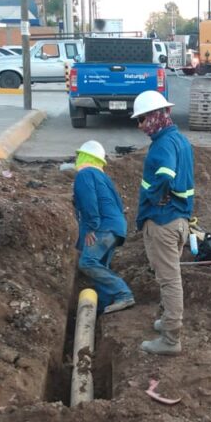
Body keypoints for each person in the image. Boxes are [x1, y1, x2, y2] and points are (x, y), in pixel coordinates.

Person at [132, 90, 195, 356]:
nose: (141, 125)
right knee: (167, 276)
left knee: (169, 280)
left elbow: (166, 174)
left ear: (156, 116)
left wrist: (152, 199)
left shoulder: (163, 146)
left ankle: (171, 339)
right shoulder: (178, 139)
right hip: (177, 217)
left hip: (163, 220)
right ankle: (168, 321)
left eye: (144, 118)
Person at [72, 140, 134, 315]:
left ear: (84, 157)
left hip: (103, 227)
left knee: (87, 263)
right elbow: (117, 203)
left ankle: (123, 293)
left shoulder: (85, 175)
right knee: (99, 267)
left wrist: (92, 228)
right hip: (115, 226)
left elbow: (89, 202)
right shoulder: (103, 177)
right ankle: (103, 307)